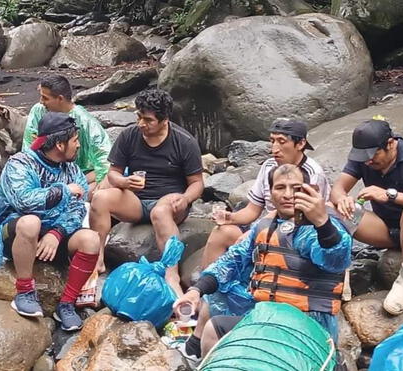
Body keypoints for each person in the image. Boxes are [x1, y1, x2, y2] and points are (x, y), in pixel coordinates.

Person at [170, 164, 351, 364]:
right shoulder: (264, 226)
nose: (288, 194)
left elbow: (336, 259)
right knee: (214, 327)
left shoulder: (321, 228)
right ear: (270, 193)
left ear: (309, 191)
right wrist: (195, 291)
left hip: (308, 325)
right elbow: (231, 262)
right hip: (267, 317)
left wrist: (322, 222)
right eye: (280, 187)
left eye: (296, 188)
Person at [0, 112, 100, 331]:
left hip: (53, 237)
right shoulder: (20, 163)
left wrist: (57, 233)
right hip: (15, 234)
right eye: (75, 141)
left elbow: (77, 209)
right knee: (31, 222)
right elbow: (24, 201)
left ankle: (66, 304)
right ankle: (25, 291)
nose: (78, 146)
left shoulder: (72, 169)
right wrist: (63, 191)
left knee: (91, 240)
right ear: (59, 144)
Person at [90, 89, 204, 295]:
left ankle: (172, 274)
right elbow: (113, 173)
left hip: (170, 200)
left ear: (164, 119)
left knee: (160, 212)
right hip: (136, 200)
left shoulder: (184, 142)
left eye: (148, 120)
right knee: (100, 198)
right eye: (139, 117)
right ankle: (96, 259)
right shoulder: (129, 136)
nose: (141, 123)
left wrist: (185, 198)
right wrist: (124, 182)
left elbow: (197, 183)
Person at [330, 119, 403, 315]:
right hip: (388, 230)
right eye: (363, 157)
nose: (368, 161)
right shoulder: (364, 158)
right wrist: (342, 199)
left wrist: (389, 195)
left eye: (373, 155)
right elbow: (337, 188)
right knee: (331, 210)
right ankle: (337, 271)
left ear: (391, 144)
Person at [201, 118, 331, 268]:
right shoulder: (269, 166)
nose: (274, 148)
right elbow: (253, 209)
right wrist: (230, 218)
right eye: (272, 141)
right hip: (268, 227)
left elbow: (301, 216)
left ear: (300, 144)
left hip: (298, 233)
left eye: (282, 142)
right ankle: (204, 286)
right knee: (221, 232)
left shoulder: (313, 173)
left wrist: (255, 232)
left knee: (251, 239)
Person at [22, 74, 112, 199]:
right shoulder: (38, 111)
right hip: (47, 171)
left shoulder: (85, 121)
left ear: (60, 98)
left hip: (82, 173)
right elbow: (29, 147)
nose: (41, 102)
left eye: (45, 98)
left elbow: (104, 156)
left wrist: (102, 184)